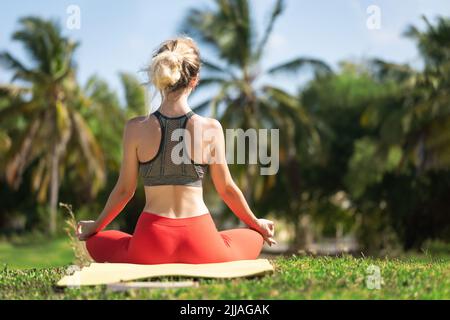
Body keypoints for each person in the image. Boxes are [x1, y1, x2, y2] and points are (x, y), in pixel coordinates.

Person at [76, 36, 276, 264]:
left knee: (97, 241)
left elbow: (124, 191)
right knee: (252, 236)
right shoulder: (211, 128)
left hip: (150, 242)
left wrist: (96, 225)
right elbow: (227, 189)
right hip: (201, 243)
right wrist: (255, 223)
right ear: (195, 80)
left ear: (158, 77)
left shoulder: (135, 128)